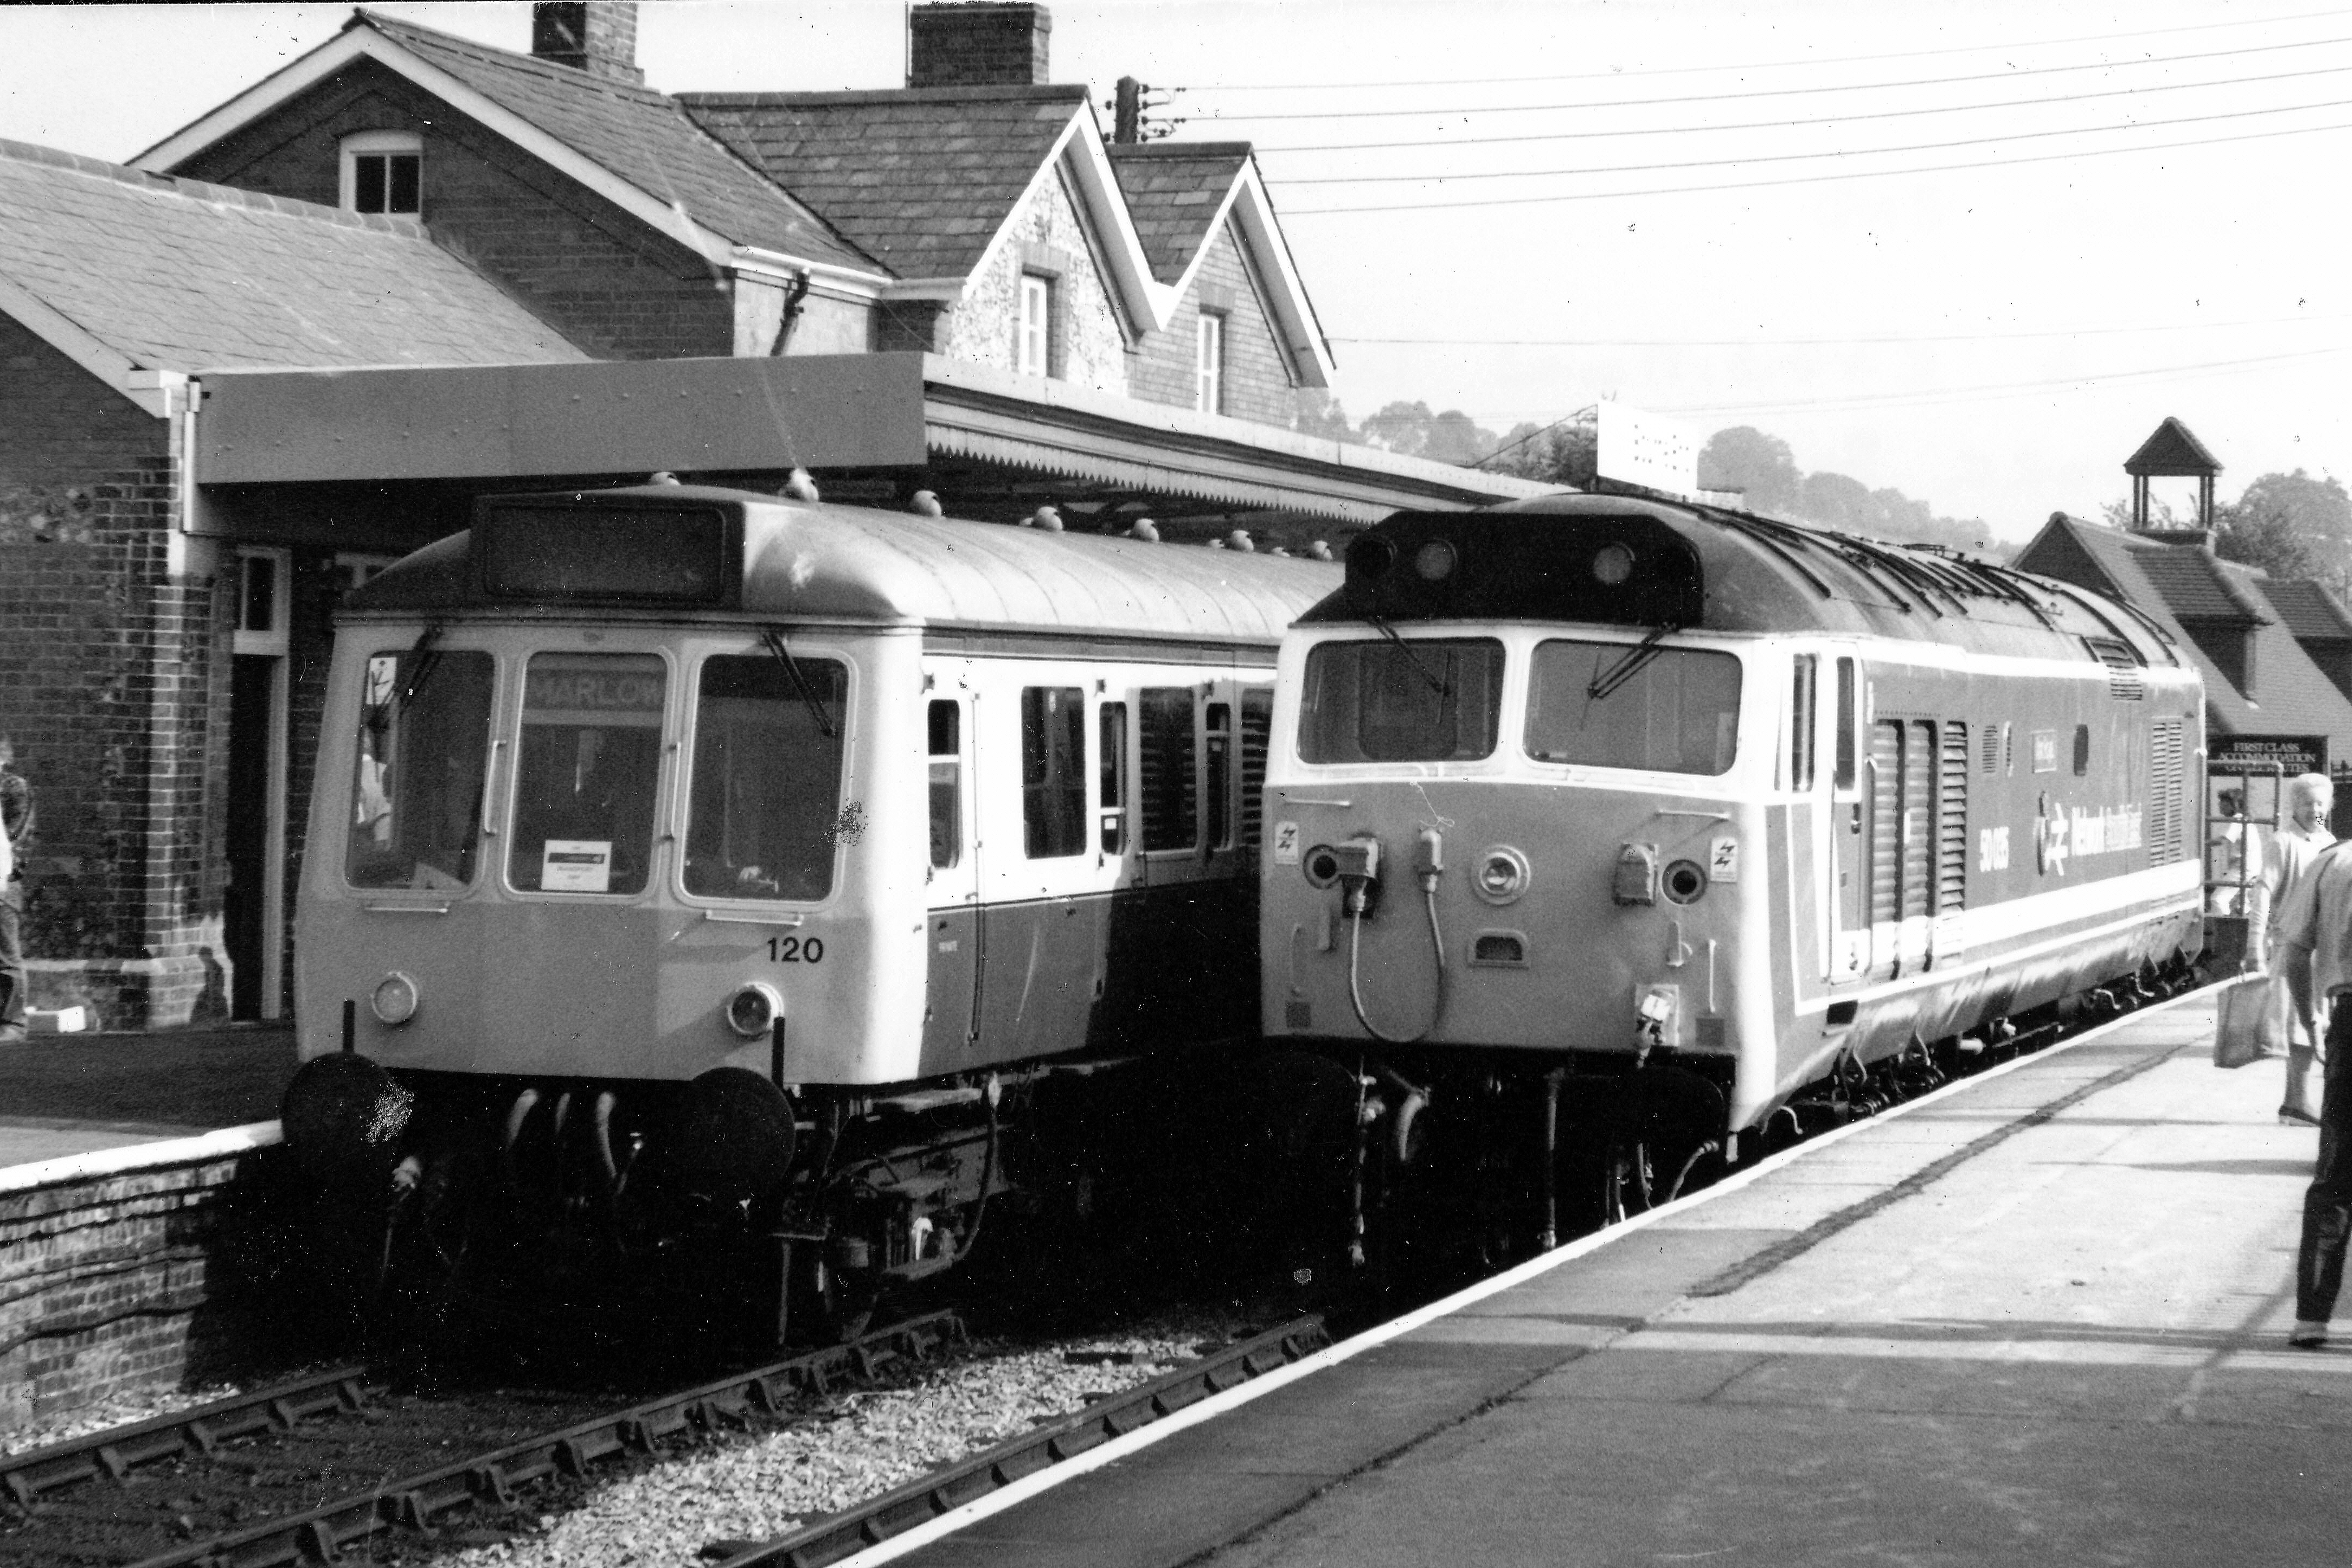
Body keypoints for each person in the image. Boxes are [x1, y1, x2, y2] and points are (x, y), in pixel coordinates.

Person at [2275, 828, 2352, 1346]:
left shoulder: (2333, 863)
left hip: (2350, 1021)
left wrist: (2310, 1020)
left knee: (2337, 1173)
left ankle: (2311, 1319)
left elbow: (2294, 954)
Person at [2253, 774, 2337, 1124]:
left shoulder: (2330, 842)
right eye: (2307, 803)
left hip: (2321, 950)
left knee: (2314, 1025)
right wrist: (2254, 944)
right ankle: (2298, 1101)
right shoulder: (2283, 842)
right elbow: (2262, 889)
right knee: (2303, 1026)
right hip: (2292, 947)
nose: (2315, 810)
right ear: (2294, 806)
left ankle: (2295, 1101)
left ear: (2329, 806)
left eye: (2321, 803)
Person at [0, 735, 31, 1043]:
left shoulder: (13, 787)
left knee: (6, 955)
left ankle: (14, 1024)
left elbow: (13, 836)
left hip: (4, 883)